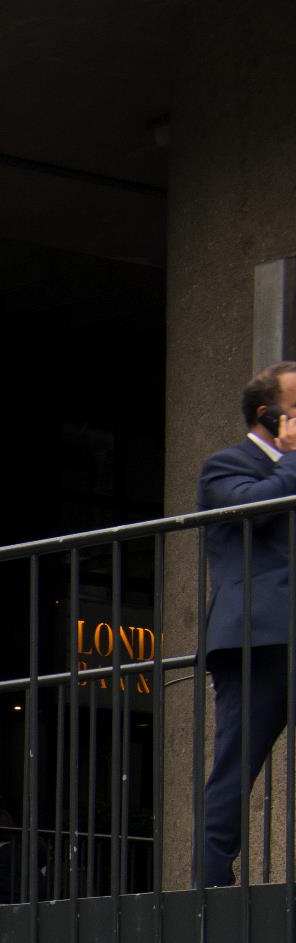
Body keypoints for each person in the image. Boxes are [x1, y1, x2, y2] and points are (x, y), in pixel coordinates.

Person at [198, 361, 296, 890]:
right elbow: (251, 510)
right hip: (259, 639)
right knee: (238, 760)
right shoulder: (226, 466)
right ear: (269, 414)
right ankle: (211, 883)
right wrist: (294, 459)